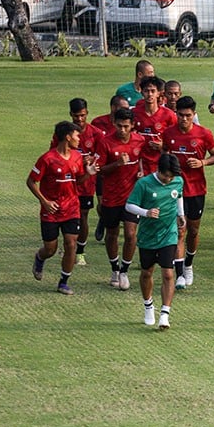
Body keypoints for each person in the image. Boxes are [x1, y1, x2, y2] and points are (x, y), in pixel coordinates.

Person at [27, 121, 98, 295]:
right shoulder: (47, 159)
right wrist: (44, 202)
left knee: (70, 244)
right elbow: (31, 181)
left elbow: (77, 181)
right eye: (76, 135)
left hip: (72, 208)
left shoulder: (76, 157)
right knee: (50, 248)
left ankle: (63, 282)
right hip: (51, 211)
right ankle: (40, 257)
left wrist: (88, 173)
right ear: (67, 137)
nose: (78, 139)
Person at [162, 97, 214, 290]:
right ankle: (179, 275)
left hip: (196, 190)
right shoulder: (169, 133)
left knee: (193, 231)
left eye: (188, 115)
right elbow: (164, 156)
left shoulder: (204, 134)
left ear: (194, 115)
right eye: (181, 115)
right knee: (180, 230)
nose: (184, 119)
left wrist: (202, 162)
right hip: (175, 192)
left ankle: (188, 264)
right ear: (176, 114)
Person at [125, 153, 185, 330]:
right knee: (147, 273)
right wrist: (146, 213)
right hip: (148, 236)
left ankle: (165, 314)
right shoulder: (144, 184)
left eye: (171, 177)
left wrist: (180, 215)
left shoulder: (178, 181)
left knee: (168, 273)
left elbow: (179, 196)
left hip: (169, 234)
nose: (168, 179)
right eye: (166, 175)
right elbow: (129, 205)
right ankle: (148, 305)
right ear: (158, 170)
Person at [94, 107, 146, 290]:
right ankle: (114, 268)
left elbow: (144, 161)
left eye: (126, 126)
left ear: (132, 125)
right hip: (111, 196)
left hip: (132, 197)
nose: (122, 130)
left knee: (131, 234)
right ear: (114, 124)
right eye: (119, 126)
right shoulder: (105, 142)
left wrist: (141, 172)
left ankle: (124, 270)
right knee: (112, 234)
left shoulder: (140, 140)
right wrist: (117, 164)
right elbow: (99, 170)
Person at [51, 98, 103, 266]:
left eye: (82, 115)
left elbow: (102, 156)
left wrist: (92, 160)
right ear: (70, 115)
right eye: (76, 116)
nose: (79, 120)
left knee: (83, 216)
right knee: (64, 217)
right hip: (65, 183)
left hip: (86, 183)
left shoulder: (96, 133)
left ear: (87, 113)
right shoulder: (63, 133)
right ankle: (68, 246)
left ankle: (80, 251)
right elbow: (53, 154)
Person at [91, 95, 130, 243]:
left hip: (123, 174)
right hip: (104, 171)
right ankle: (103, 220)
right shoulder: (98, 122)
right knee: (102, 205)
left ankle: (110, 224)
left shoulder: (127, 123)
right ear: (113, 108)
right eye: (123, 108)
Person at [133, 76, 177, 176]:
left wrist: (164, 146)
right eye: (146, 91)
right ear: (141, 92)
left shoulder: (169, 115)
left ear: (158, 93)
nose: (150, 94)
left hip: (160, 161)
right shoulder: (134, 113)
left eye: (153, 91)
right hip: (139, 162)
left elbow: (176, 138)